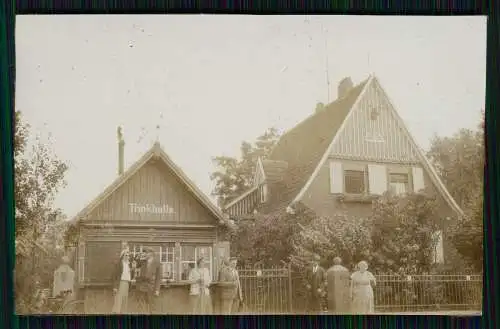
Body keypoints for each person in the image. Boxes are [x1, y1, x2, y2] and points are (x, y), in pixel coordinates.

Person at [134, 247, 161, 314]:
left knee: (152, 306)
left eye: (147, 252)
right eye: (145, 252)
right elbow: (135, 263)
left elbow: (158, 278)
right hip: (142, 286)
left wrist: (157, 289)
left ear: (151, 253)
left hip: (151, 287)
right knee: (141, 305)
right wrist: (139, 255)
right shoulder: (143, 261)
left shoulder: (157, 263)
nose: (145, 254)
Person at [111, 248, 132, 314]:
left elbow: (130, 275)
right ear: (122, 256)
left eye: (128, 255)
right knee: (118, 301)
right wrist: (115, 287)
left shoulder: (129, 264)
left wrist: (133, 269)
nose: (127, 257)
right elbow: (115, 276)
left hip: (127, 284)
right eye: (126, 255)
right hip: (121, 283)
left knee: (125, 301)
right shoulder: (119, 264)